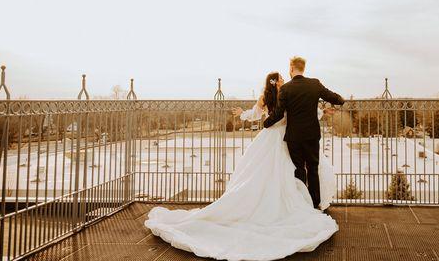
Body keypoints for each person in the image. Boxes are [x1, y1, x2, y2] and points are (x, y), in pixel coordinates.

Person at [144, 67, 341, 261]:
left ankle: (278, 203)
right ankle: (298, 204)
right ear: (278, 81)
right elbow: (302, 112)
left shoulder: (270, 96)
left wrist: (242, 114)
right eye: (280, 77)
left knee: (267, 172)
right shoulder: (287, 93)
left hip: (270, 136)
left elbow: (256, 114)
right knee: (288, 171)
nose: (282, 79)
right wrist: (322, 112)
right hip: (284, 137)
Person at [264, 56, 344, 208]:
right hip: (312, 135)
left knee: (299, 169)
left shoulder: (286, 88)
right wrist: (341, 100)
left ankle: (302, 204)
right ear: (303, 68)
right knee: (313, 169)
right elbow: (331, 96)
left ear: (291, 68)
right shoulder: (314, 84)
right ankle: (315, 204)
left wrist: (266, 123)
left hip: (294, 136)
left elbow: (279, 114)